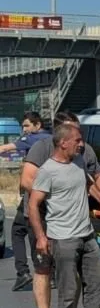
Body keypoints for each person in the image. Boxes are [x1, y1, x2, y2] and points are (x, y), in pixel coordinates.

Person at [20, 111, 100, 308]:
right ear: (61, 136)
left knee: (80, 275)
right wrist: (55, 196)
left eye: (80, 133)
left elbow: (93, 178)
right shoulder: (42, 149)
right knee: (44, 266)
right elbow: (28, 181)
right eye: (75, 134)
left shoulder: (82, 152)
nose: (81, 141)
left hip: (77, 224)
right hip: (44, 215)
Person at [9, 112, 51, 291]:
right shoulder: (51, 139)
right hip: (47, 193)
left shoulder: (33, 139)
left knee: (28, 232)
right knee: (27, 230)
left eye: (27, 125)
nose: (24, 129)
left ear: (37, 125)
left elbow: (5, 148)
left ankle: (27, 272)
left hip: (33, 193)